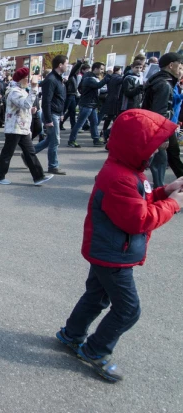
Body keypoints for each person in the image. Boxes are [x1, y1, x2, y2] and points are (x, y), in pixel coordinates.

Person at [56, 109, 183, 382]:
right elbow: (139, 219)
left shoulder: (129, 170)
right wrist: (173, 204)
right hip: (114, 256)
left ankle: (71, 334)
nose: (158, 153)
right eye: (154, 147)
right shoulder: (121, 177)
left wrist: (167, 190)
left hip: (109, 251)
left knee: (96, 296)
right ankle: (95, 350)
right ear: (137, 145)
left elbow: (142, 202)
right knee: (128, 309)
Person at [0, 67, 53, 186]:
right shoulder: (14, 91)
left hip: (21, 127)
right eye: (27, 78)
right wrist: (34, 89)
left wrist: (31, 110)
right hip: (15, 128)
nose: (29, 80)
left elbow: (23, 106)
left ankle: (38, 177)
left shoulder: (20, 90)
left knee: (30, 153)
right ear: (21, 79)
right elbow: (25, 103)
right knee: (7, 153)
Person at [143, 52, 183, 188]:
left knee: (173, 155)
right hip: (159, 127)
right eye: (181, 66)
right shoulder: (163, 84)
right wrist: (162, 137)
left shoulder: (163, 81)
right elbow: (159, 112)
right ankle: (158, 191)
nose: (182, 70)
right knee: (158, 160)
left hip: (164, 127)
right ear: (171, 65)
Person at [36, 55, 68, 175]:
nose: (67, 66)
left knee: (50, 139)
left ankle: (29, 153)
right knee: (55, 141)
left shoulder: (58, 78)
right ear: (60, 65)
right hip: (51, 115)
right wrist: (49, 119)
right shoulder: (51, 80)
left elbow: (59, 98)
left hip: (55, 113)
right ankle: (53, 166)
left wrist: (61, 113)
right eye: (66, 64)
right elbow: (46, 101)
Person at [68, 62, 111, 148]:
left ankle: (96, 139)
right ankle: (71, 140)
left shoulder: (93, 77)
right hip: (87, 104)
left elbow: (97, 89)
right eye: (101, 69)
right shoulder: (89, 78)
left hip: (92, 104)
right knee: (80, 123)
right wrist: (107, 77)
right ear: (96, 69)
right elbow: (98, 86)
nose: (102, 71)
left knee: (94, 122)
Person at [100, 66, 123, 141]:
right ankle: (107, 132)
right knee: (114, 117)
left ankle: (104, 131)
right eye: (120, 70)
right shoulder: (117, 78)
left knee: (110, 116)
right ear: (117, 70)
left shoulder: (111, 77)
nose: (121, 71)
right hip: (115, 99)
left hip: (110, 98)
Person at [61, 60, 85, 131]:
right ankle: (59, 123)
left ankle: (73, 126)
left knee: (72, 111)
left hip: (73, 94)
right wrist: (80, 63)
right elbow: (73, 70)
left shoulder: (74, 76)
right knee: (64, 110)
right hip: (68, 94)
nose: (78, 70)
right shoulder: (69, 75)